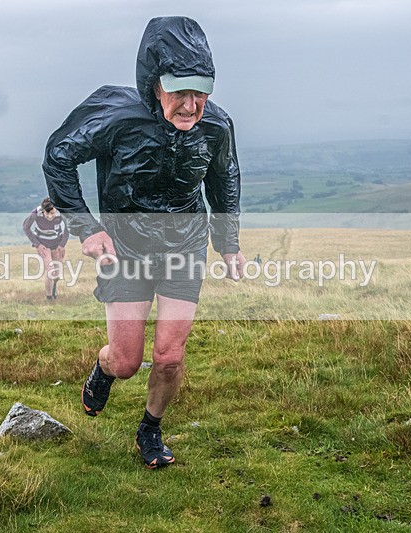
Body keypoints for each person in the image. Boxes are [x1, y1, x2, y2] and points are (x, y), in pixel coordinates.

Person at [43, 16, 245, 468]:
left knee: (169, 356)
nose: (191, 105)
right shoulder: (115, 116)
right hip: (125, 249)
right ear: (154, 83)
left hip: (184, 246)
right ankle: (105, 367)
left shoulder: (216, 125)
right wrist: (87, 227)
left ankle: (150, 429)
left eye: (201, 91)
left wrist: (228, 244)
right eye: (179, 91)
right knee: (127, 360)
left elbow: (224, 179)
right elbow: (58, 156)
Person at [22, 197, 69, 300]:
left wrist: (62, 244)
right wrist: (37, 244)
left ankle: (54, 286)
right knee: (50, 270)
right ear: (43, 211)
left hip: (57, 243)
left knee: (57, 273)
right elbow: (26, 226)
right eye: (47, 213)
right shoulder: (36, 212)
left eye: (52, 213)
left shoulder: (61, 211)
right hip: (43, 243)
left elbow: (68, 226)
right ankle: (49, 298)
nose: (50, 216)